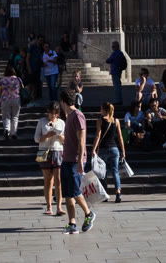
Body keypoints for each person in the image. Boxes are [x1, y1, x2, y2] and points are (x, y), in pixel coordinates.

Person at [61, 94, 97, 235]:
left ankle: (89, 214)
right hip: (66, 159)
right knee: (67, 193)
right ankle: (72, 223)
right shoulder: (69, 116)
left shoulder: (77, 115)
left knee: (75, 191)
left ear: (63, 102)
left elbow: (82, 139)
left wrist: (80, 161)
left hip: (75, 160)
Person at [35, 99, 67, 214]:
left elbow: (65, 140)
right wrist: (47, 135)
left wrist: (59, 135)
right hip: (44, 151)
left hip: (58, 151)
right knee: (48, 180)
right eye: (50, 113)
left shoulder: (61, 123)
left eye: (55, 113)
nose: (52, 115)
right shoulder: (42, 121)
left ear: (58, 113)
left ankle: (59, 207)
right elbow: (36, 138)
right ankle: (49, 207)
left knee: (58, 180)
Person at [93, 102, 127, 203]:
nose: (100, 110)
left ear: (105, 110)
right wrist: (123, 151)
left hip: (103, 149)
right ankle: (118, 192)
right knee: (115, 171)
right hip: (114, 149)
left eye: (101, 109)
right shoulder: (116, 121)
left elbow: (98, 136)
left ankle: (105, 195)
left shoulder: (100, 120)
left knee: (103, 173)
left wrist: (93, 149)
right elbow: (120, 137)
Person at [0, 62, 25, 139]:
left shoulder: (2, 80)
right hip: (16, 99)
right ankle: (14, 133)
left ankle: (7, 129)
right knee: (15, 116)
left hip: (5, 99)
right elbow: (22, 88)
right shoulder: (18, 79)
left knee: (6, 116)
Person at [106, 41, 129, 109]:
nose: (112, 48)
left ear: (115, 47)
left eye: (113, 46)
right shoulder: (120, 53)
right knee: (118, 85)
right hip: (119, 71)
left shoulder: (114, 53)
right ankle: (119, 99)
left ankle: (118, 100)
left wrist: (109, 57)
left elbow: (108, 60)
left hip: (115, 71)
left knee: (116, 86)